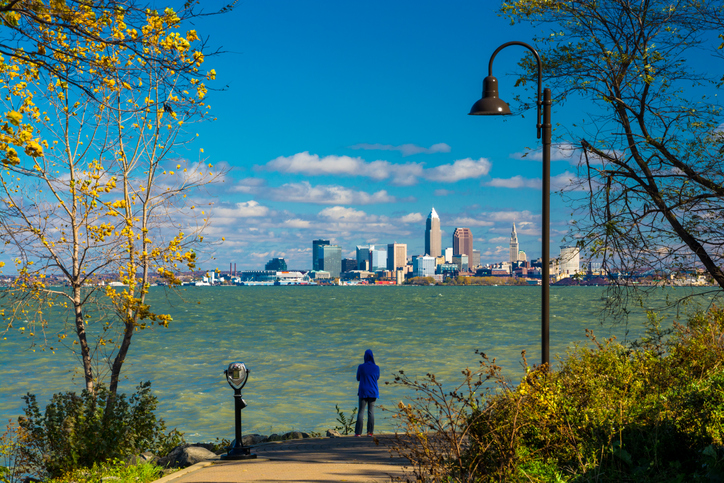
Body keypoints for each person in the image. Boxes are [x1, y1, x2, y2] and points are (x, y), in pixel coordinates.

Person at [355, 349, 380, 437]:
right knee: (371, 412)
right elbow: (377, 378)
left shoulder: (361, 367)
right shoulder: (376, 367)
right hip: (373, 391)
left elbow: (358, 378)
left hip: (363, 391)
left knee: (361, 411)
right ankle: (370, 432)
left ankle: (358, 433)